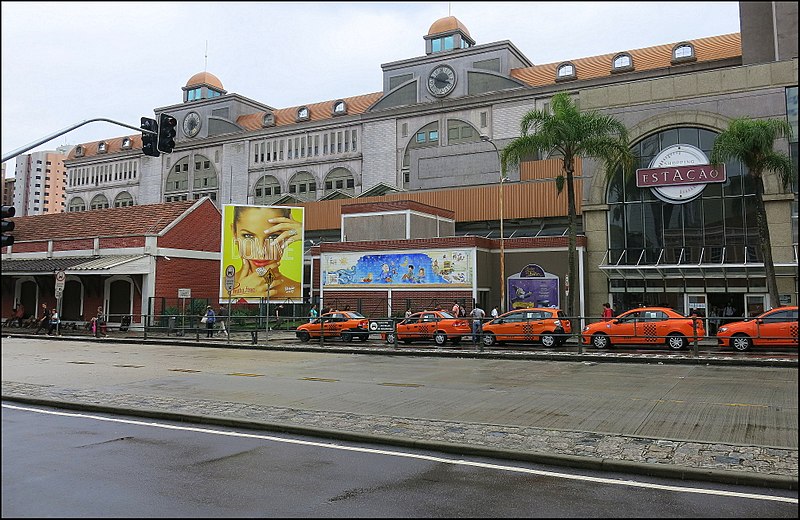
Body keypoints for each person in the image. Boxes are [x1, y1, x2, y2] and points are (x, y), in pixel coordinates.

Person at [229, 206, 302, 300]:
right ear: (234, 233)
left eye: (273, 237)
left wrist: (305, 234)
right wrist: (241, 298)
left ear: (287, 235)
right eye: (248, 236)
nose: (261, 251)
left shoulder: (298, 292)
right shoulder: (222, 290)